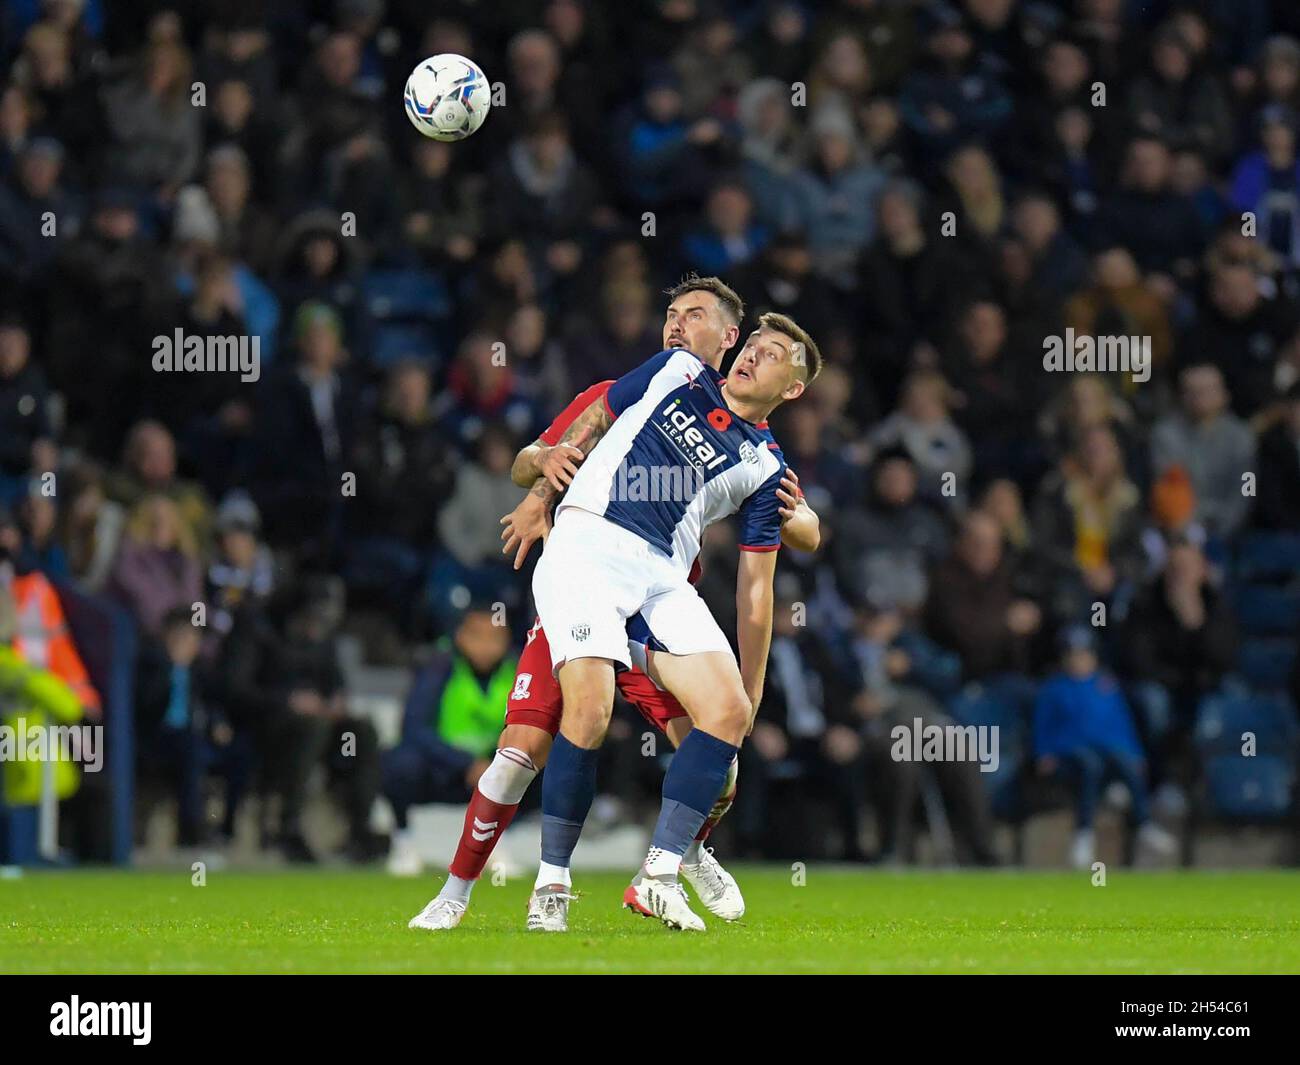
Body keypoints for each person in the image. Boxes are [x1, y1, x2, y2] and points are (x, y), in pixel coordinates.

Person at [407, 277, 821, 932]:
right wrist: (539, 485)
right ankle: (476, 889)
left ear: (729, 336)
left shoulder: (757, 450)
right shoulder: (652, 379)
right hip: (585, 571)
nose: (677, 326)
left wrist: (802, 521)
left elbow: (787, 539)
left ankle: (677, 854)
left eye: (694, 316)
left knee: (722, 751)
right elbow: (544, 454)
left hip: (656, 590)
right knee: (528, 747)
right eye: (671, 314)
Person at [1033, 626, 1177, 869]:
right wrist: (1043, 753)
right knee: (1091, 765)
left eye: (1083, 654)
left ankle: (1143, 823)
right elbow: (1042, 725)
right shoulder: (1054, 689)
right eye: (1072, 654)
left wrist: (1136, 753)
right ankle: (1084, 834)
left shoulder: (1106, 686)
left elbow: (1123, 724)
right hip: (1070, 752)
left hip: (1108, 751)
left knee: (1126, 762)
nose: (1078, 660)